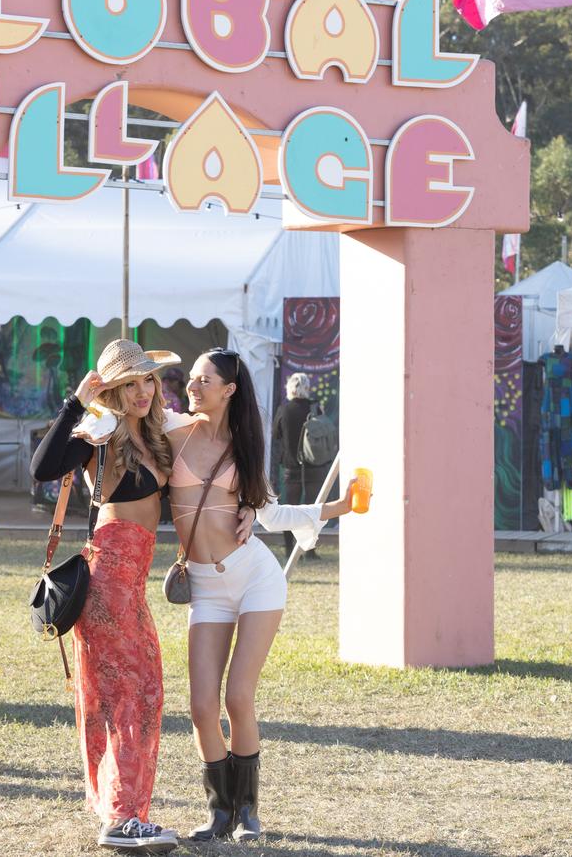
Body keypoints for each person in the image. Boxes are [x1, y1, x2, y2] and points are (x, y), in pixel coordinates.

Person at [163, 348, 356, 843]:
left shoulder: (245, 448)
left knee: (238, 696)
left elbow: (273, 515)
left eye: (205, 380)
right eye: (192, 377)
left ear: (229, 390)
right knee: (202, 706)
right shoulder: (170, 432)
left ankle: (248, 811)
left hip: (255, 581)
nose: (194, 385)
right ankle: (218, 811)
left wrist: (338, 506)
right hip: (205, 585)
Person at [29, 339, 215, 854]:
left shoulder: (157, 434)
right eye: (128, 383)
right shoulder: (101, 431)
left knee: (145, 694)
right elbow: (43, 469)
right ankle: (122, 818)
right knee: (129, 697)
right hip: (107, 579)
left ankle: (125, 810)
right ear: (111, 389)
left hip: (132, 587)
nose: (141, 390)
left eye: (147, 380)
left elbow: (215, 439)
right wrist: (77, 400)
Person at [272, 372, 330, 560]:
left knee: (290, 510)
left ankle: (291, 552)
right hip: (315, 465)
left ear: (289, 388)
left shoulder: (284, 409)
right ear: (307, 388)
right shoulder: (315, 408)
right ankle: (310, 551)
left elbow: (276, 434)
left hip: (291, 467)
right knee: (313, 509)